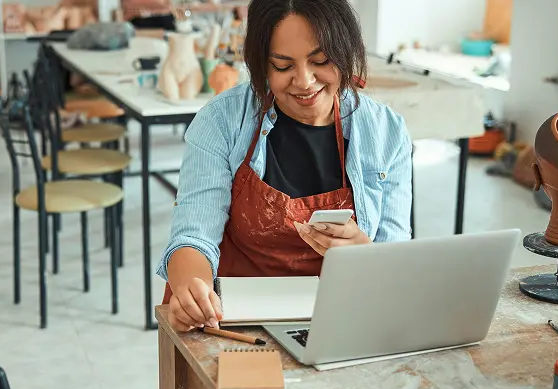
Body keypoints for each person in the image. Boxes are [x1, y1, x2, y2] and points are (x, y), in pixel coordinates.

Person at [158, 0, 413, 334]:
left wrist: (365, 255)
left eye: (321, 61)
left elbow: (397, 263)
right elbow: (193, 234)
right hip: (233, 318)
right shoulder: (222, 120)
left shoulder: (386, 133)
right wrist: (193, 292)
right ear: (261, 65)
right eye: (282, 66)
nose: (305, 82)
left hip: (338, 317)